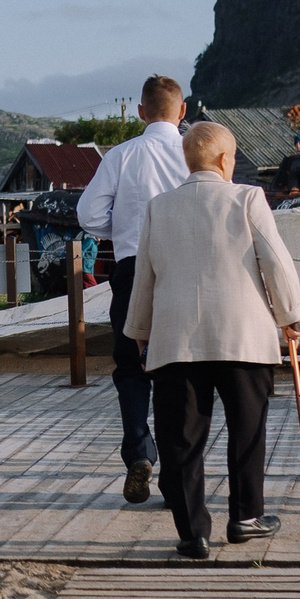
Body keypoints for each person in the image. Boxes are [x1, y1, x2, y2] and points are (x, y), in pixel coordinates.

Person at [121, 122, 300, 559]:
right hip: (243, 335)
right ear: (226, 160)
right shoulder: (247, 198)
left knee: (180, 438)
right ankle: (245, 517)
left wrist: (138, 333)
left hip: (176, 337)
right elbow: (275, 261)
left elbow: (143, 278)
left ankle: (193, 533)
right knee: (247, 429)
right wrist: (291, 316)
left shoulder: (158, 207)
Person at [75, 74, 193, 502]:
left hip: (131, 267)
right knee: (178, 371)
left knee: (130, 367)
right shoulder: (193, 155)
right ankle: (179, 478)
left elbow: (87, 215)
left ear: (141, 112)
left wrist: (124, 230)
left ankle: (140, 451)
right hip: (185, 272)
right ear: (182, 111)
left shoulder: (121, 155)